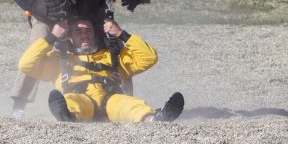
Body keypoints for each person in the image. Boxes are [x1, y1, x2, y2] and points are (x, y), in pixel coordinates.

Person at [9, 0, 150, 117]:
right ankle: (19, 106)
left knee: (114, 43)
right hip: (50, 12)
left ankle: (121, 98)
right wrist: (37, 7)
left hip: (89, 12)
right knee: (38, 44)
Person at [18, 17, 184, 123]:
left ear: (95, 34)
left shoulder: (112, 56)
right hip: (80, 98)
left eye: (88, 30)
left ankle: (154, 118)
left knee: (130, 105)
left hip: (111, 100)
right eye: (78, 31)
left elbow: (149, 57)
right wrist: (52, 37)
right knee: (71, 102)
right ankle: (66, 116)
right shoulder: (59, 60)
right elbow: (26, 64)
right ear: (69, 36)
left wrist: (121, 34)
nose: (84, 35)